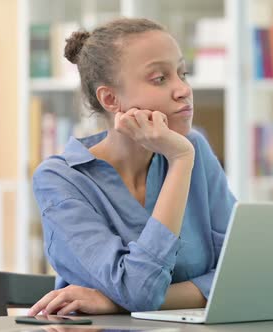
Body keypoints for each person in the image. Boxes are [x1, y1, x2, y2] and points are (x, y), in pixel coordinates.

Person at [26, 17, 236, 316]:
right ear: (111, 99)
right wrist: (179, 162)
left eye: (182, 73)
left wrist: (114, 302)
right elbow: (139, 291)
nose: (183, 90)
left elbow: (240, 274)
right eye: (160, 79)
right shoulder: (61, 180)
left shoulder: (195, 149)